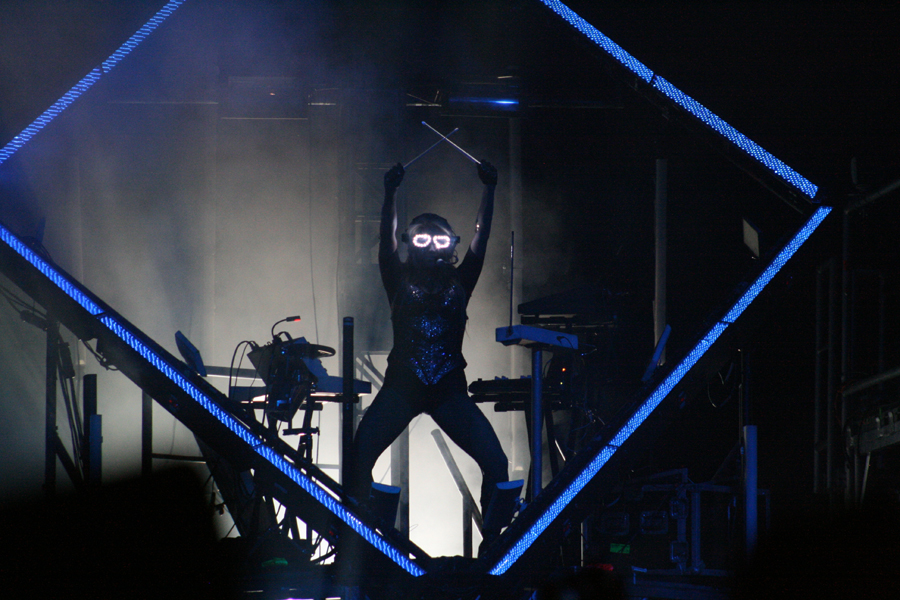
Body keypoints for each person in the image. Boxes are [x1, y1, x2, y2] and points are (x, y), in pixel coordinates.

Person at [348, 158, 509, 532]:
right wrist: (390, 193)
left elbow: (482, 236)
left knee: (496, 463)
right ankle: (368, 539)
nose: (432, 244)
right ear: (411, 243)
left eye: (440, 238)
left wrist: (489, 189)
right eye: (422, 237)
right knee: (360, 457)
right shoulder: (396, 276)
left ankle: (496, 545)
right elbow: (387, 237)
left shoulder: (461, 280)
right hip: (402, 387)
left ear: (451, 244)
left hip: (448, 390)